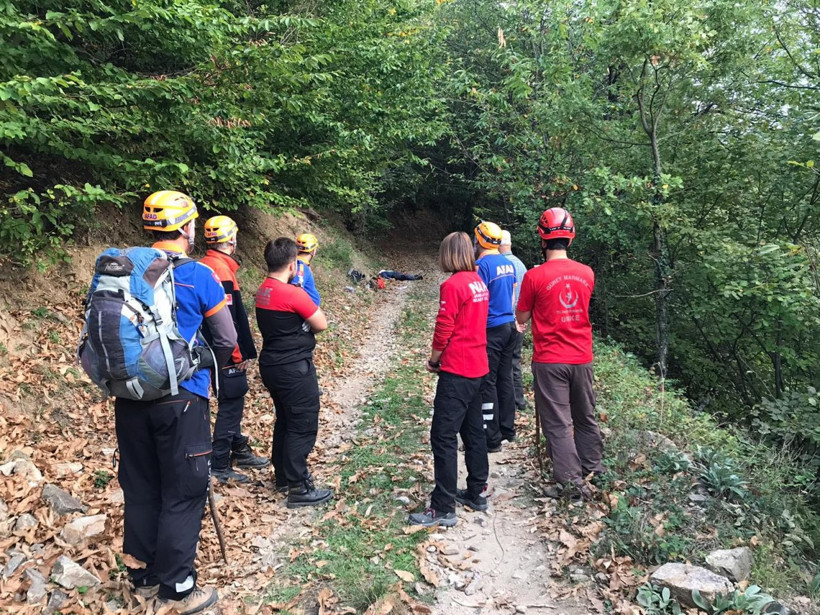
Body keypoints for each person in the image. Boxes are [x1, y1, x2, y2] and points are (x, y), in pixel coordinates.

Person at [116, 191, 237, 613]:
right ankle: (179, 587)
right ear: (187, 229)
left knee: (142, 484)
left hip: (129, 397)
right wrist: (202, 366)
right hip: (182, 400)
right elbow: (225, 338)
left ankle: (143, 576)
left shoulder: (126, 272)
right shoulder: (199, 275)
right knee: (184, 490)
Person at [515, 207, 603, 501]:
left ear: (542, 238)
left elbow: (523, 317)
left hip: (550, 359)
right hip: (582, 357)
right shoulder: (587, 273)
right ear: (571, 238)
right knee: (585, 416)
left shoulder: (534, 276)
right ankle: (595, 471)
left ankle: (571, 486)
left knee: (558, 423)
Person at [409, 232, 490, 528]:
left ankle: (442, 506)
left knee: (443, 436)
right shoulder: (478, 282)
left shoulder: (453, 285)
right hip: (479, 366)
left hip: (458, 369)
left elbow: (444, 326)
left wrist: (434, 359)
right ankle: (477, 490)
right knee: (473, 430)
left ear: (449, 255)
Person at [256, 237, 333, 508]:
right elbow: (321, 323)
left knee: (285, 419)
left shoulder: (263, 290)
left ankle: (283, 476)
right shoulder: (292, 293)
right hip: (294, 368)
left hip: (272, 365)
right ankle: (299, 486)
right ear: (292, 265)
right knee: (302, 424)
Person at [199, 216, 269, 484]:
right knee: (231, 404)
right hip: (226, 354)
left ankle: (238, 448)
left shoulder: (206, 265)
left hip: (213, 350)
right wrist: (237, 356)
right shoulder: (222, 271)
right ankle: (219, 462)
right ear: (231, 239)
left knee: (231, 403)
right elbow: (227, 321)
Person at [474, 221, 518, 452]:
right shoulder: (507, 263)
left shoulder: (481, 266)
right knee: (505, 378)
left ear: (479, 240)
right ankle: (508, 430)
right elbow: (510, 295)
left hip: (491, 329)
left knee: (488, 381)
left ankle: (491, 438)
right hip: (509, 325)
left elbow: (479, 299)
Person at [499, 230, 528, 412]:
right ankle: (519, 400)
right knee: (514, 361)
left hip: (504, 322)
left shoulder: (499, 265)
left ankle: (506, 403)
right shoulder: (521, 265)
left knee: (501, 364)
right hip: (520, 321)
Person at [291, 233, 321, 306]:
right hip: (304, 310)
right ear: (313, 251)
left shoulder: (297, 263)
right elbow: (295, 289)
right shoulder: (301, 266)